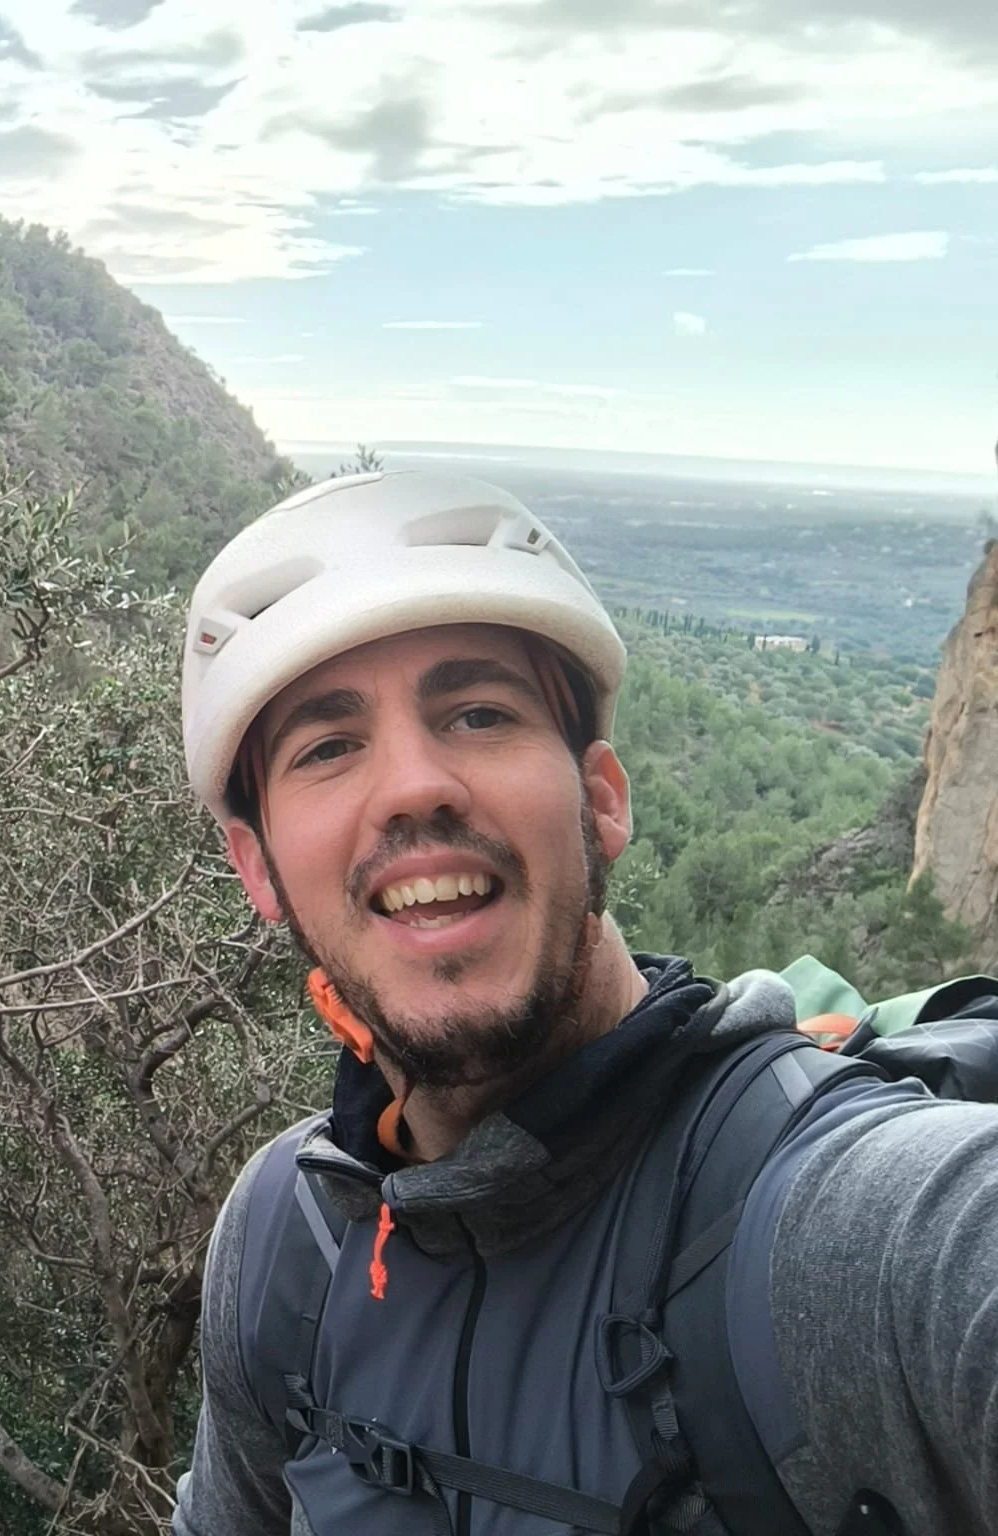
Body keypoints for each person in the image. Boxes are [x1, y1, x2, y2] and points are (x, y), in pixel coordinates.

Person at [170, 473, 998, 1535]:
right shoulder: (287, 1242)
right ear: (258, 867)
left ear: (599, 800)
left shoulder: (856, 1237)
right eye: (328, 747)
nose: (414, 786)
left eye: (477, 713)